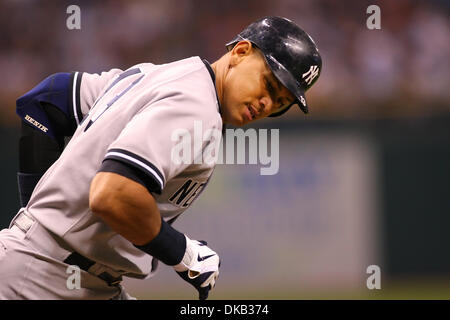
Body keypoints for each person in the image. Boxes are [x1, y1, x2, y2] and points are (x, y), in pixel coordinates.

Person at [0, 16, 321, 300]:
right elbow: (112, 193)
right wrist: (183, 253)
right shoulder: (195, 105)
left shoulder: (164, 75)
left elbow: (47, 98)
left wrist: (36, 214)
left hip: (65, 273)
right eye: (268, 83)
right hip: (41, 279)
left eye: (280, 102)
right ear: (240, 52)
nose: (267, 103)